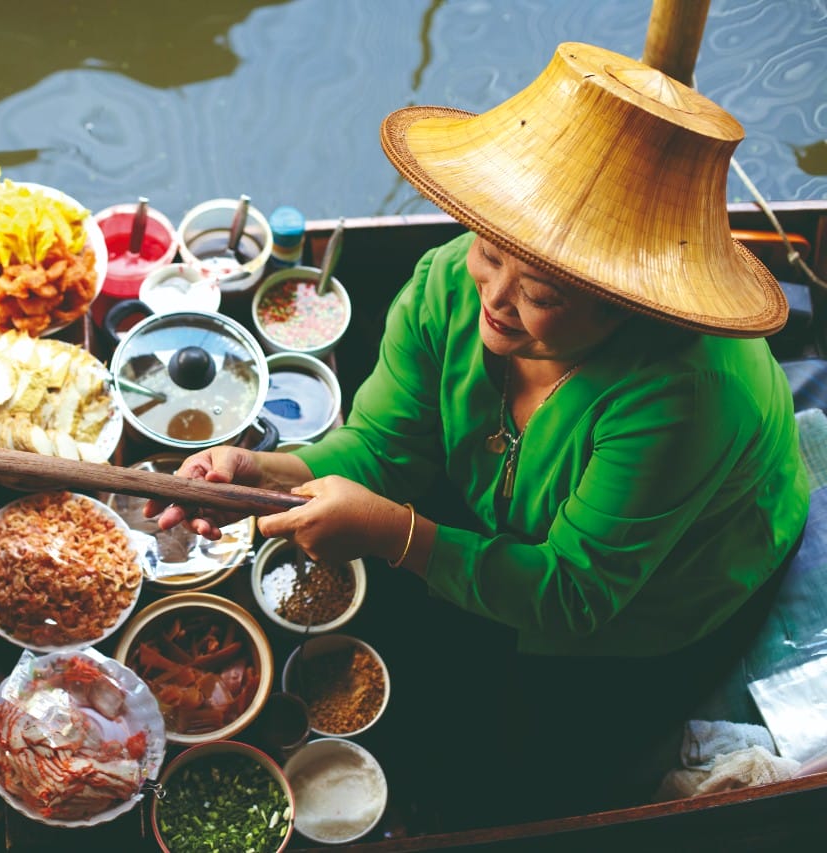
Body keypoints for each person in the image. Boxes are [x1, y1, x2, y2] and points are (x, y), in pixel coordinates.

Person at [146, 42, 809, 828]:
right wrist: (268, 471)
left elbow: (573, 593)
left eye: (541, 295)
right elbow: (384, 448)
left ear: (624, 304)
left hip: (662, 595)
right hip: (511, 524)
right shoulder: (444, 285)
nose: (495, 298)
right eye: (489, 253)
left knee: (531, 761)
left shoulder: (686, 396)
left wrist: (398, 536)